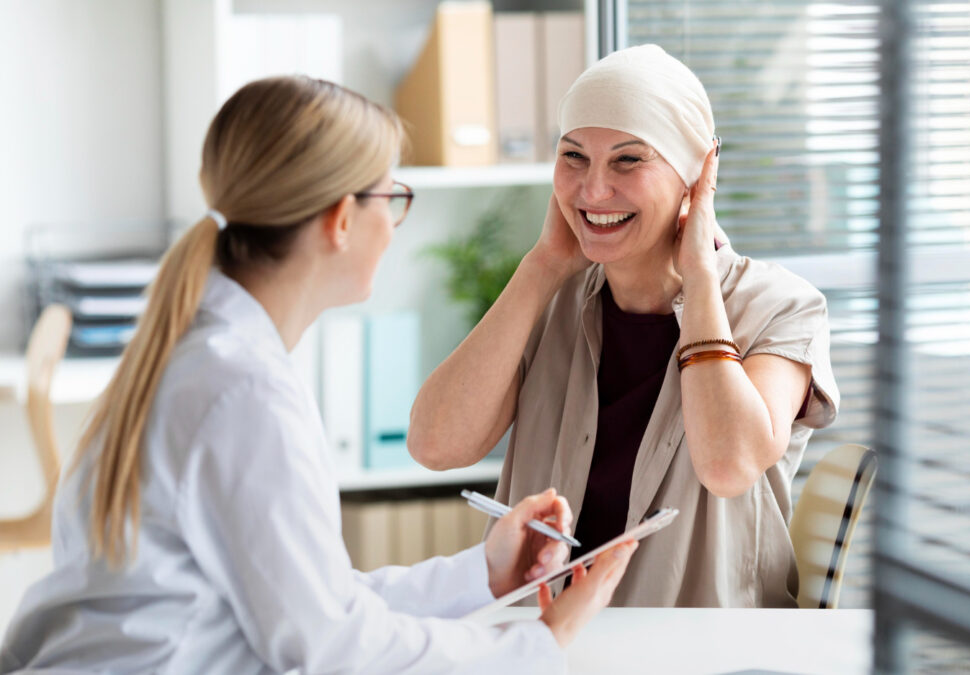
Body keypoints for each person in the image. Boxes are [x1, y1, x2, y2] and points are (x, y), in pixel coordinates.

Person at [0, 76, 637, 675]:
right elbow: (329, 642)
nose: (392, 224)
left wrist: (485, 573)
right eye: (391, 198)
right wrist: (538, 643)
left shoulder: (198, 355)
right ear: (339, 219)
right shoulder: (242, 391)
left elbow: (309, 600)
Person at [408, 44, 840, 608]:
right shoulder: (551, 298)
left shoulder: (778, 306)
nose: (592, 190)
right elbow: (436, 446)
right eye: (574, 157)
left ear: (695, 177)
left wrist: (699, 278)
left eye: (628, 159)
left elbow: (729, 465)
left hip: (699, 650)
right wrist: (541, 266)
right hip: (544, 642)